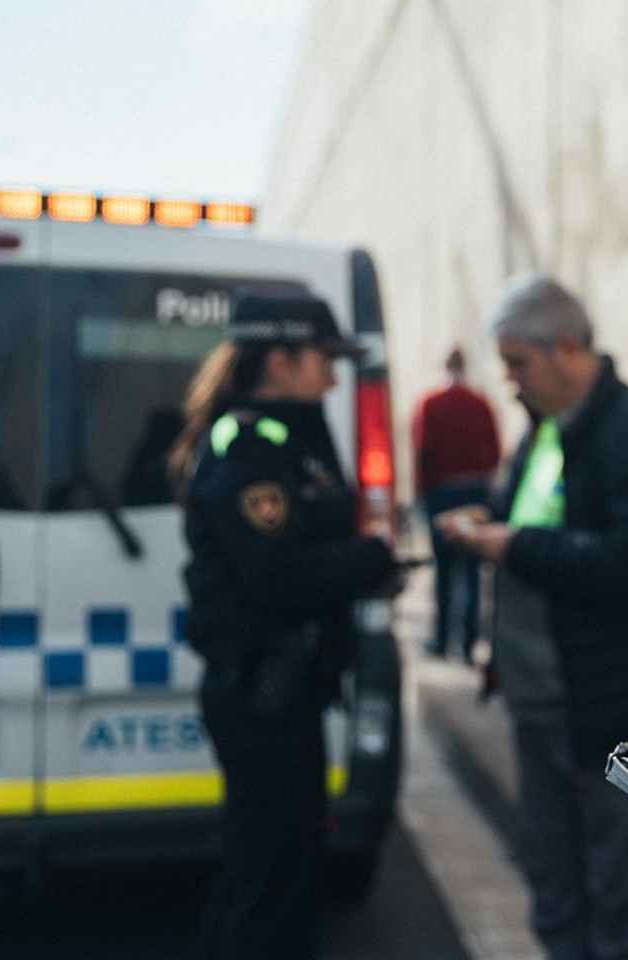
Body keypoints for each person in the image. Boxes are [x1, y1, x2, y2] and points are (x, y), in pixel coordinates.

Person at [439, 274, 628, 960]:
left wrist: (511, 544)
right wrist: (492, 527)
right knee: (555, 884)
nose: (509, 382)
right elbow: (535, 522)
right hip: (540, 702)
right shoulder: (543, 431)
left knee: (624, 897)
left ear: (567, 349)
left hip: (613, 708)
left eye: (519, 363)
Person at [170, 291, 397, 960]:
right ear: (281, 359)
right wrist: (373, 557)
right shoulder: (249, 448)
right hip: (259, 695)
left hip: (286, 691)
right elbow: (278, 575)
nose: (333, 377)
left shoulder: (288, 438)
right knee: (265, 881)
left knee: (285, 869)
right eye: (323, 361)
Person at [412, 345, 501, 661]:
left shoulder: (431, 404)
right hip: (474, 492)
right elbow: (493, 451)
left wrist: (421, 493)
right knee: (472, 571)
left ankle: (440, 639)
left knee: (445, 570)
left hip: (443, 492)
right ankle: (465, 644)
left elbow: (423, 451)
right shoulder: (480, 404)